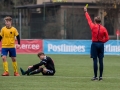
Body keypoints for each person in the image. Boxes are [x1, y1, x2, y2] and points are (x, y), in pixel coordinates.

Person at [84, 6, 109, 81]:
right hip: (101, 44)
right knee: (101, 60)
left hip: (94, 44)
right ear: (100, 22)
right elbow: (107, 38)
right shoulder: (103, 28)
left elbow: (88, 20)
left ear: (95, 21)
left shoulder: (93, 27)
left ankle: (95, 77)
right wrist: (102, 42)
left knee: (95, 60)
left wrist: (86, 11)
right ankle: (100, 77)